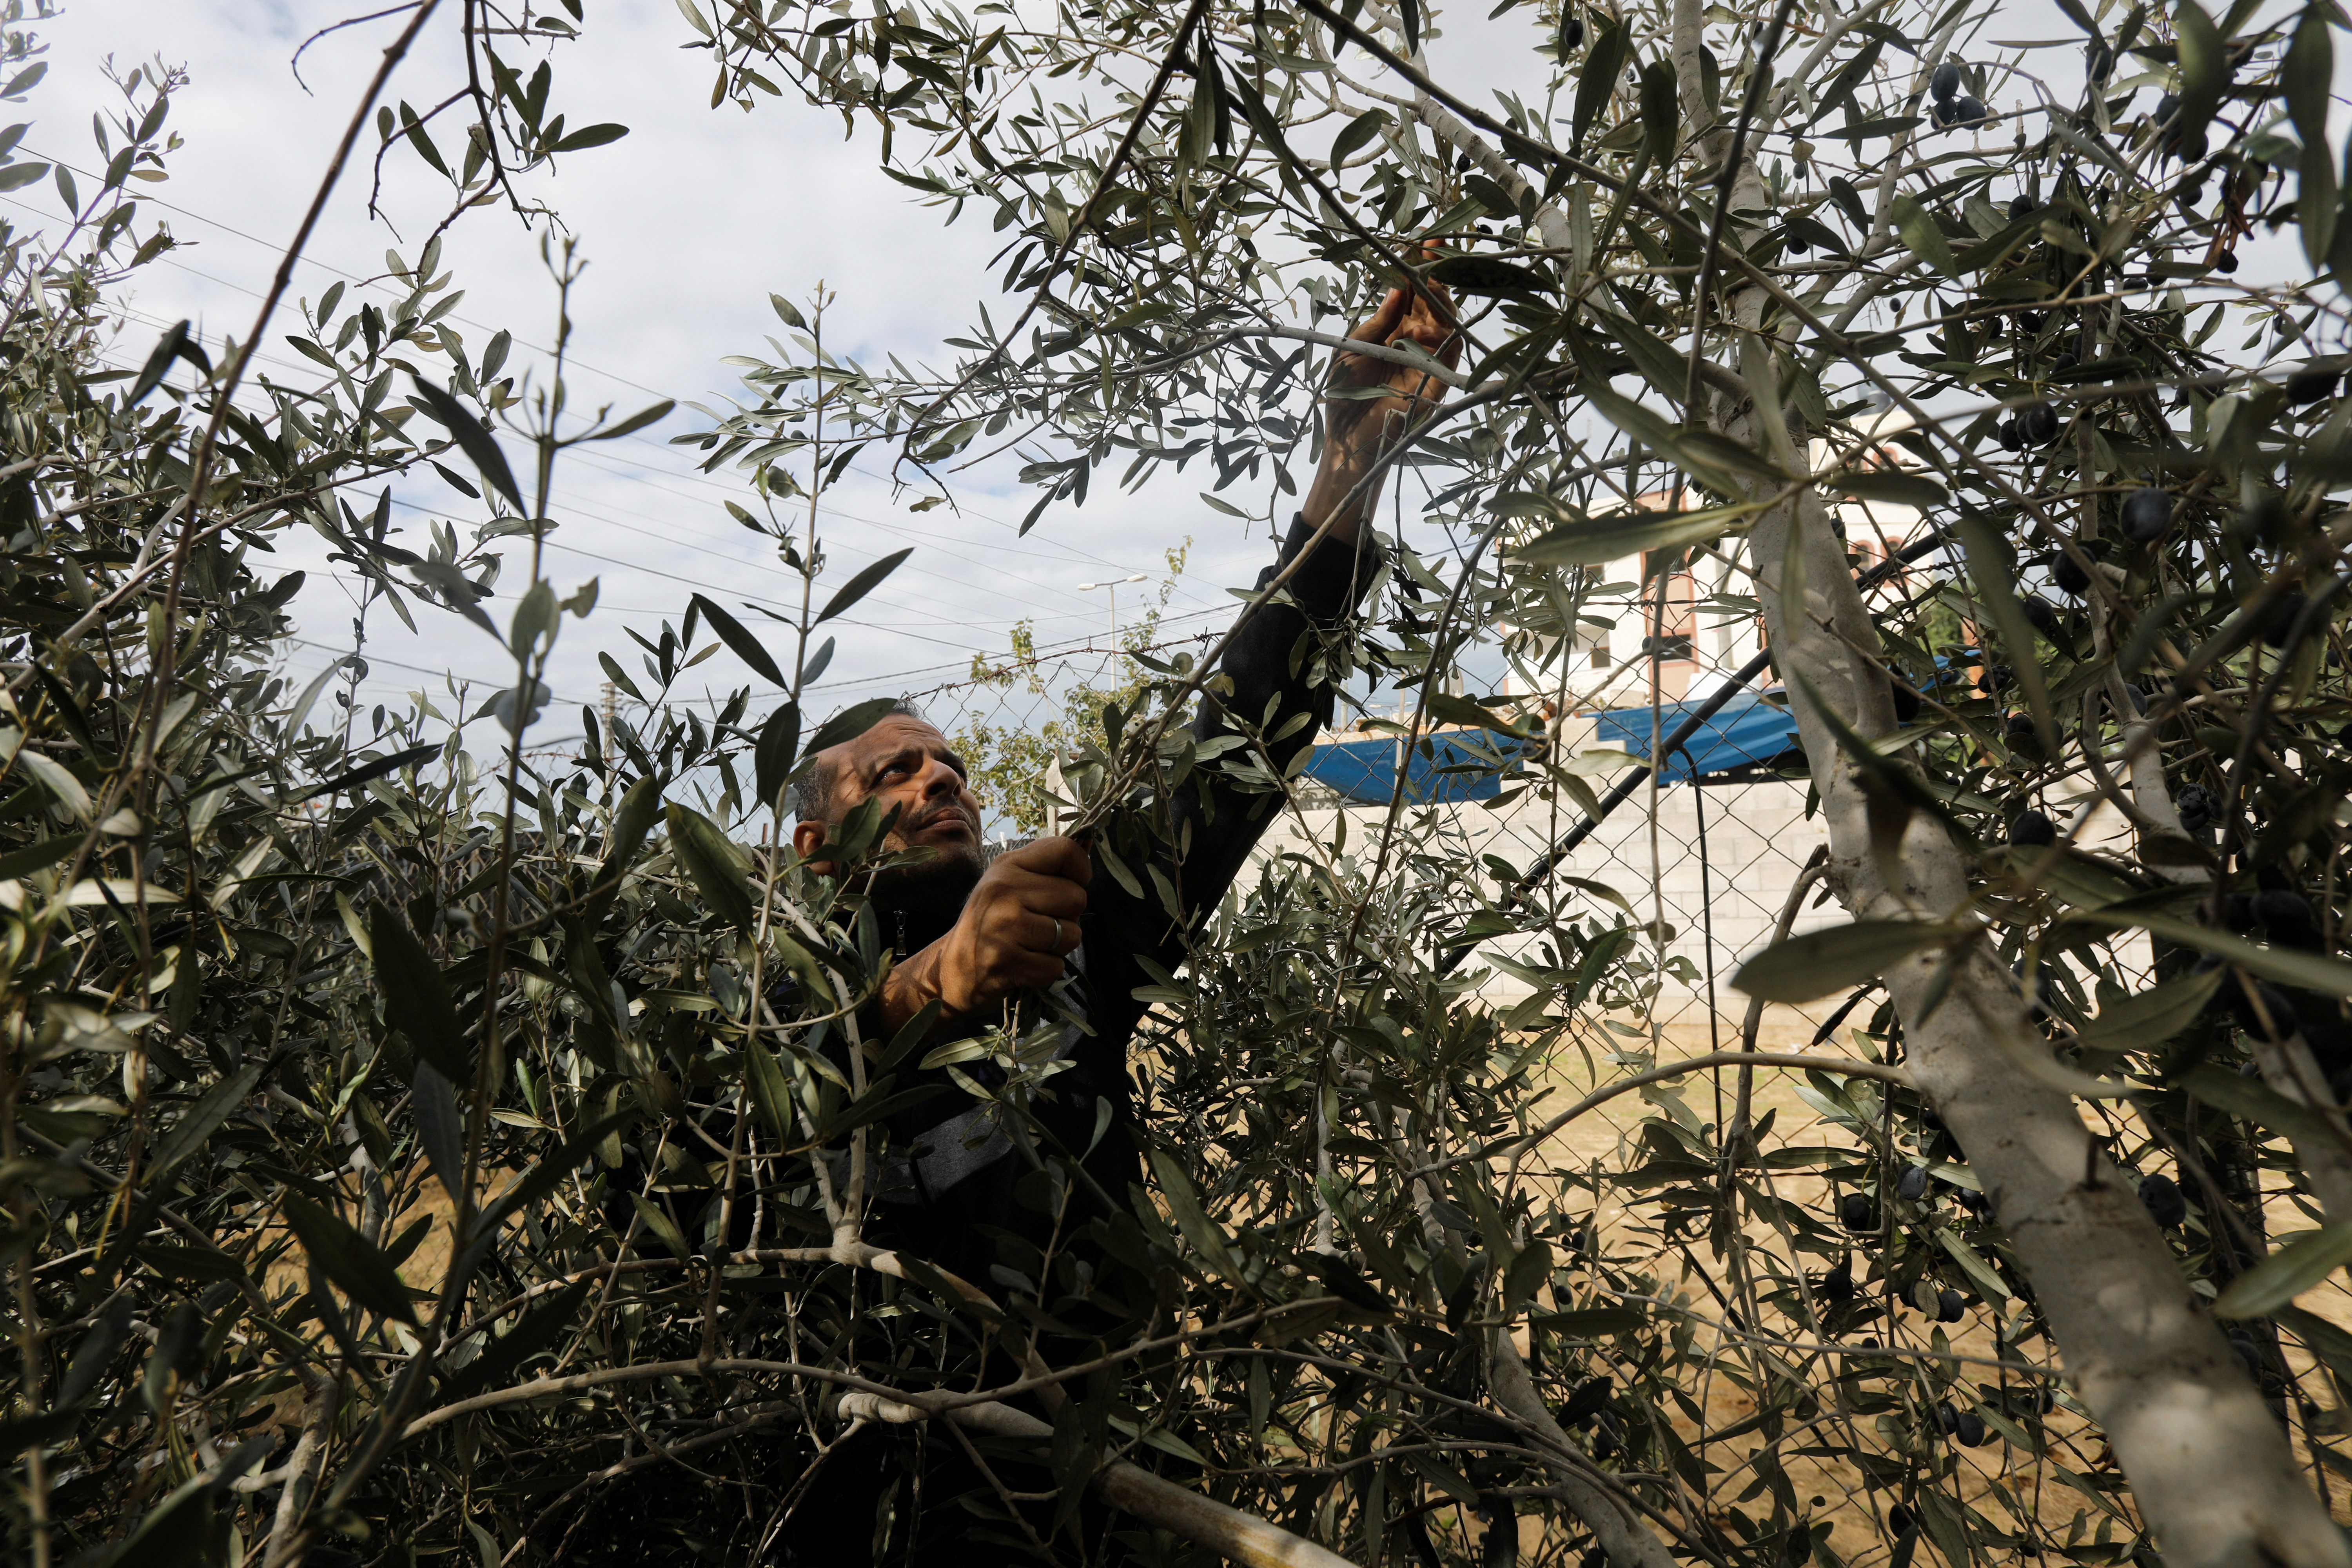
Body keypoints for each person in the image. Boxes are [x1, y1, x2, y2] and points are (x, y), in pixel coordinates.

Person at [777, 274, 1458, 1562]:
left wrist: (1352, 469)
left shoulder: (1064, 930)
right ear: (816, 846)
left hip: (1095, 1498)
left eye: (950, 765)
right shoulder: (763, 971)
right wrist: (931, 990)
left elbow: (1234, 736)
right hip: (871, 1516)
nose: (939, 783)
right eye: (893, 773)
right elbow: (730, 1124)